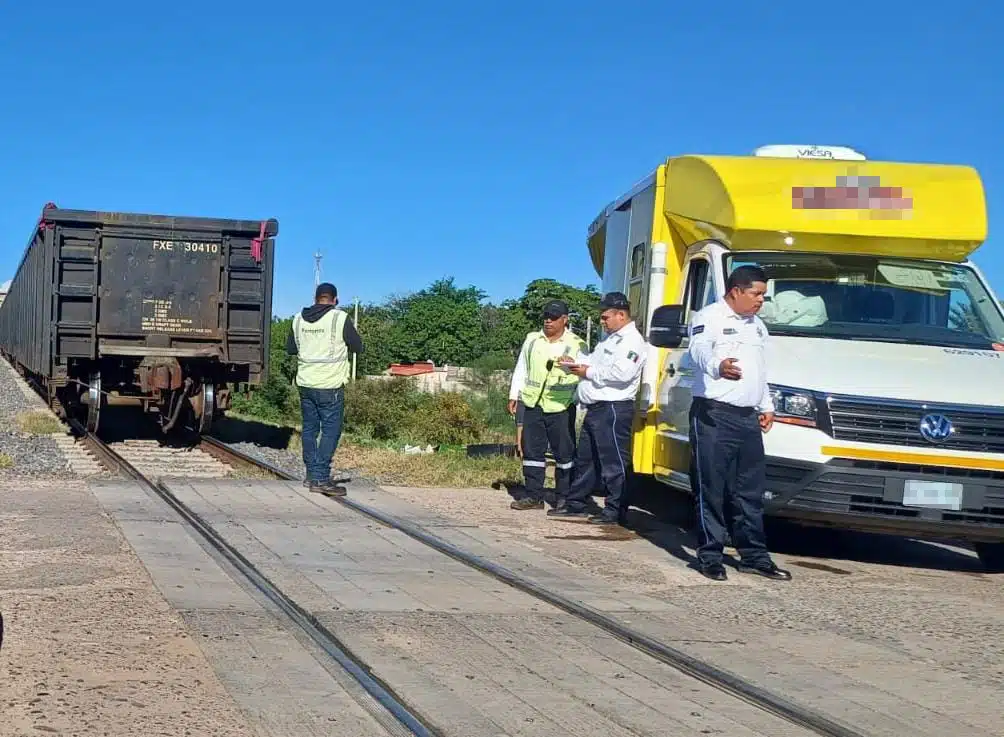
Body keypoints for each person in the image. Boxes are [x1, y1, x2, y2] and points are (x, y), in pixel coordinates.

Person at [686, 264, 791, 582]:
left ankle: (754, 556)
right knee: (712, 488)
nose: (761, 300)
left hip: (747, 418)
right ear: (735, 291)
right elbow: (698, 350)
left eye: (763, 294)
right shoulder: (710, 317)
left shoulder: (757, 325)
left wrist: (766, 403)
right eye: (756, 293)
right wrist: (719, 365)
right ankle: (710, 555)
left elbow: (761, 368)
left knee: (750, 491)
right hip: (714, 414)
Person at [549, 292, 647, 526]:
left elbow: (622, 374)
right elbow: (593, 362)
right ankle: (576, 504)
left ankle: (615, 510)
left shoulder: (632, 342)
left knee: (613, 462)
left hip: (613, 408)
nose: (602, 322)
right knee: (586, 459)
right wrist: (573, 365)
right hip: (595, 408)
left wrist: (587, 372)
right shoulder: (608, 340)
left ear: (621, 315)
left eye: (605, 317)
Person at [508, 300, 586, 511]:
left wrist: (571, 366)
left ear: (565, 319)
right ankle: (534, 496)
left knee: (564, 455)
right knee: (532, 451)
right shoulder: (532, 339)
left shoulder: (577, 344)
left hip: (560, 407)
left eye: (553, 317)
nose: (548, 321)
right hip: (533, 403)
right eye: (546, 317)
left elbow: (584, 375)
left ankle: (564, 497)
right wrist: (514, 394)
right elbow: (522, 368)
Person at [286, 282, 364, 495]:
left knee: (310, 429)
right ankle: (320, 478)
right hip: (330, 385)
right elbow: (358, 347)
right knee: (331, 431)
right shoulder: (339, 318)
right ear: (335, 300)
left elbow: (290, 349)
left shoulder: (297, 319)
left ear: (316, 298)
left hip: (305, 384)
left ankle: (311, 475)